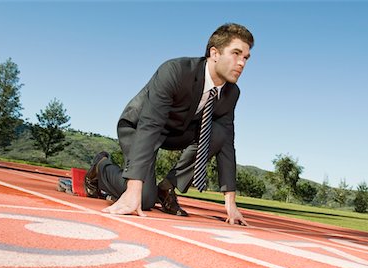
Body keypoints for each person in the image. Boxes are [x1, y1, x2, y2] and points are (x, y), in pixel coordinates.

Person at [85, 23, 254, 225]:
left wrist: (231, 204)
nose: (242, 63)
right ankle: (101, 167)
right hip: (140, 127)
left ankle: (166, 187)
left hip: (177, 132)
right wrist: (134, 189)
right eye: (236, 54)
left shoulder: (232, 93)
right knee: (144, 198)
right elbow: (150, 125)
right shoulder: (175, 71)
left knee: (219, 133)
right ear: (215, 53)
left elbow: (226, 144)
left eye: (246, 57)